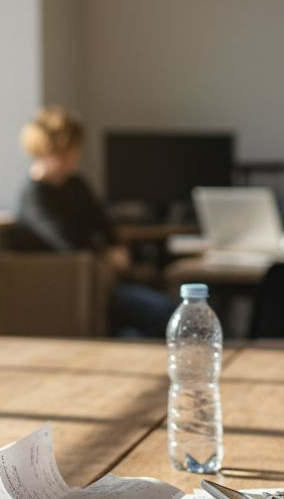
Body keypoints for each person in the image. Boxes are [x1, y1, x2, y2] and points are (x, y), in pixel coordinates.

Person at [10, 106, 174, 338]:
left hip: (98, 282)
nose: (76, 155)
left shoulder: (75, 184)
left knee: (163, 302)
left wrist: (116, 247)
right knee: (167, 313)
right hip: (71, 289)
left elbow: (102, 221)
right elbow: (65, 241)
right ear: (48, 150)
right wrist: (106, 255)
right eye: (69, 149)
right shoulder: (35, 196)